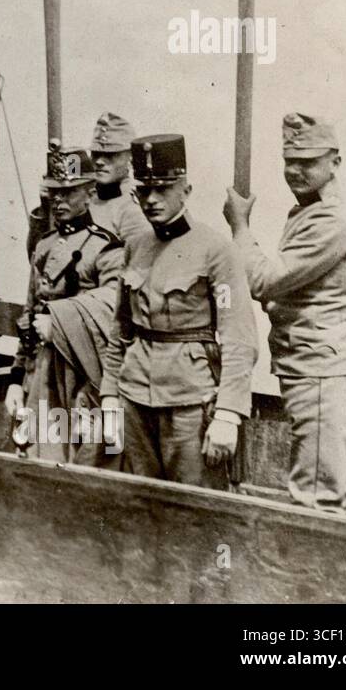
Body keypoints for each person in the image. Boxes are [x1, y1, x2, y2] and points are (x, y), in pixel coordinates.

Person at [224, 113, 346, 516]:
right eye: (289, 160)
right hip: (319, 367)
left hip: (323, 372)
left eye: (307, 161)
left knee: (317, 501)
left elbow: (267, 281)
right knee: (340, 494)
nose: (294, 170)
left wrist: (240, 228)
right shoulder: (310, 211)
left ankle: (315, 582)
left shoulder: (331, 218)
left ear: (334, 163)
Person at [101, 134, 257, 489]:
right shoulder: (135, 247)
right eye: (144, 190)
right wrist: (110, 392)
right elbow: (120, 331)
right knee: (139, 505)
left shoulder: (216, 249)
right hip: (134, 399)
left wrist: (229, 414)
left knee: (197, 512)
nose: (152, 200)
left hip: (190, 404)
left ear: (185, 191)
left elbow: (239, 338)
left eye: (164, 188)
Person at [6, 142, 123, 465]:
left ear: (89, 192)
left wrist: (58, 322)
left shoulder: (106, 249)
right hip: (40, 374)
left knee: (87, 458)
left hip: (83, 375)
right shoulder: (44, 247)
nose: (58, 200)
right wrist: (16, 381)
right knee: (32, 453)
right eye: (54, 192)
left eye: (68, 192)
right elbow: (29, 316)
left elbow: (114, 314)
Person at [88, 111, 148, 243]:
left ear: (130, 157)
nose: (99, 161)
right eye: (96, 154)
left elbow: (138, 258)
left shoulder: (134, 207)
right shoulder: (85, 198)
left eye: (110, 155)